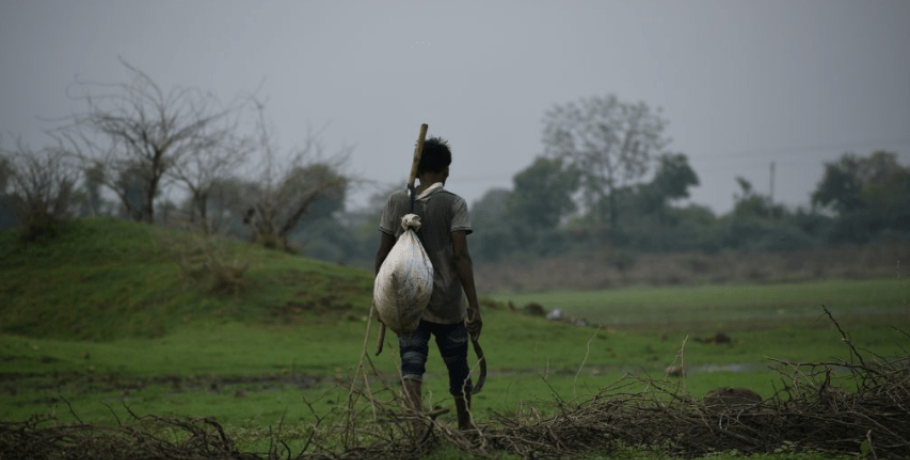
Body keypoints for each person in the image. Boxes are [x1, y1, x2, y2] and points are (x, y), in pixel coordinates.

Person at [375, 136, 483, 430]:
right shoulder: (454, 204)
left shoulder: (396, 201)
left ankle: (416, 428)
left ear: (418, 168)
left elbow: (383, 255)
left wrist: (380, 297)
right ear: (445, 170)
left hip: (408, 304)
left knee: (411, 365)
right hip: (448, 303)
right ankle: (466, 427)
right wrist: (473, 305)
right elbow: (460, 255)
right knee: (458, 367)